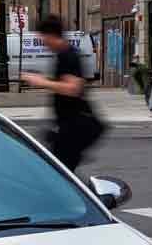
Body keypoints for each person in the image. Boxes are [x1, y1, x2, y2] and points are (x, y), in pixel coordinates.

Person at [20, 15, 105, 172]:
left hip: (74, 128)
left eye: (43, 38)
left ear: (51, 35)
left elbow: (73, 88)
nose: (43, 43)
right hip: (67, 127)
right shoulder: (63, 54)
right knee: (61, 173)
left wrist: (41, 82)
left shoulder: (68, 55)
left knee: (60, 174)